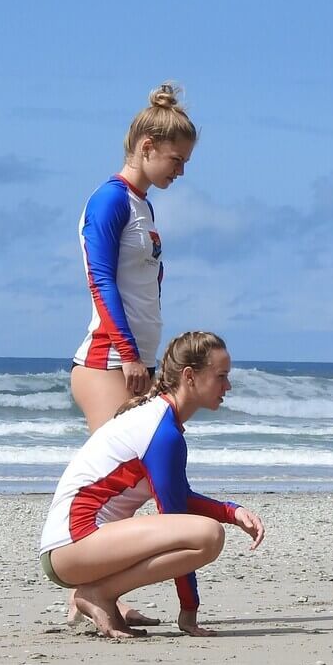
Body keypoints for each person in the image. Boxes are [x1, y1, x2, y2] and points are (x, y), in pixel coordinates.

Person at [41, 330, 265, 639]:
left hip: (71, 548)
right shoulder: (162, 433)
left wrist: (232, 511)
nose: (227, 386)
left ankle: (98, 593)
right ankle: (98, 594)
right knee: (208, 535)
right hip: (74, 545)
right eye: (221, 376)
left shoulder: (158, 419)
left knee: (205, 529)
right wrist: (189, 611)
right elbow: (175, 516)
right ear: (190, 376)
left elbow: (179, 502)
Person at [70, 82, 197, 433]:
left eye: (185, 162)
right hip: (108, 360)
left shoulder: (144, 206)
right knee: (117, 465)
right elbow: (101, 281)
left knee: (142, 466)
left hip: (139, 360)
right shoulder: (110, 201)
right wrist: (128, 356)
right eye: (176, 160)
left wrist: (145, 358)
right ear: (147, 147)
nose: (181, 171)